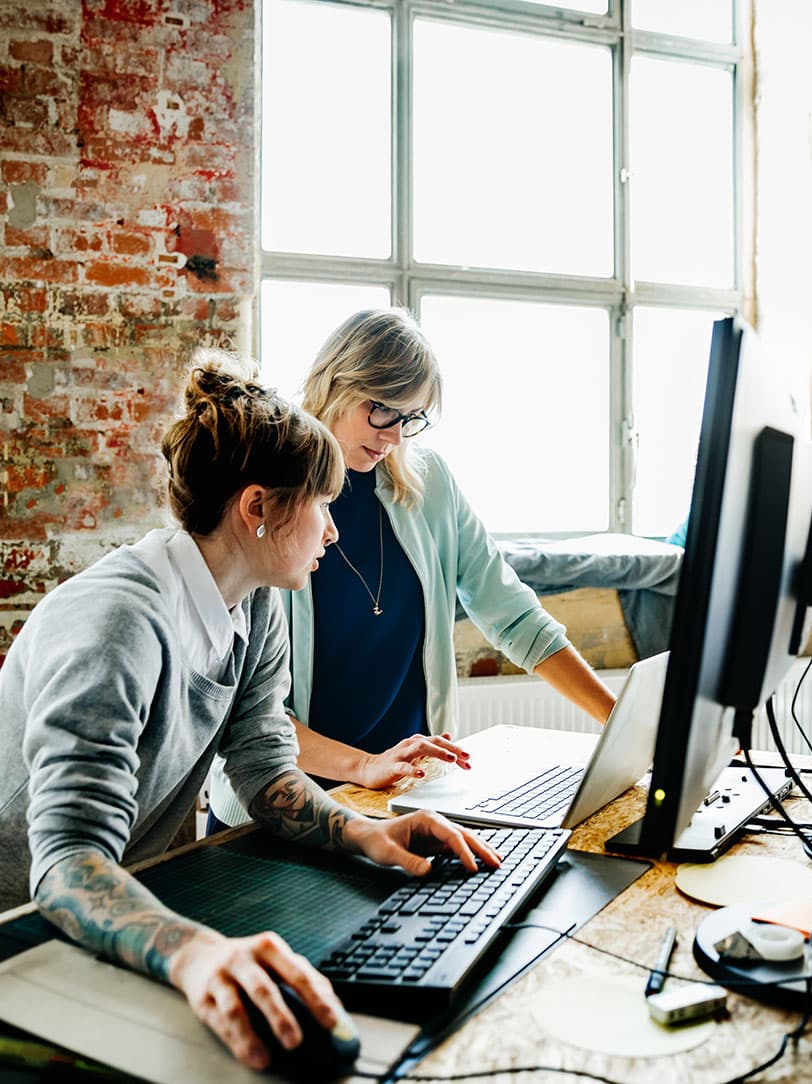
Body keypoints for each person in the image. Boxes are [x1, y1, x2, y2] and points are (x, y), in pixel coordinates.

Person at [0, 350, 499, 1072]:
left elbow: (265, 770)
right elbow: (68, 864)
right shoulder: (116, 624)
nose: (333, 531)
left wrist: (369, 833)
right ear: (258, 508)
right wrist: (199, 954)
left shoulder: (255, 603)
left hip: (113, 914)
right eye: (322, 505)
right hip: (20, 928)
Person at [208, 308, 617, 830]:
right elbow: (253, 718)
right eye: (382, 411)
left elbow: (514, 617)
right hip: (283, 808)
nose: (395, 437)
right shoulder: (267, 493)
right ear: (335, 384)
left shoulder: (430, 484)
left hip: (403, 797)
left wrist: (617, 723)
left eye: (411, 417)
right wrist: (363, 766)